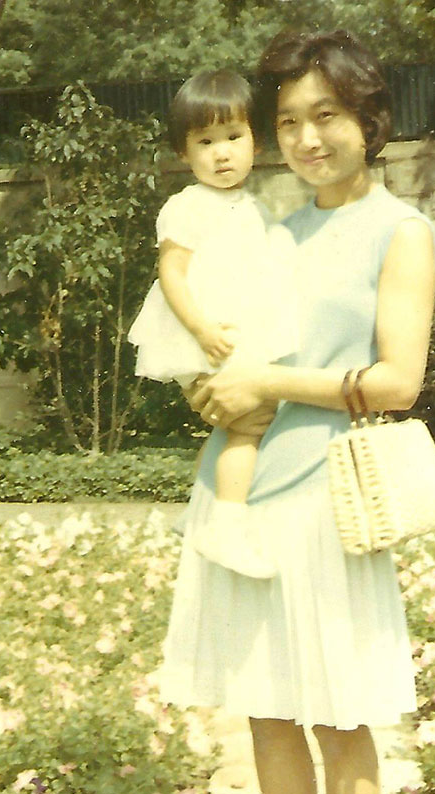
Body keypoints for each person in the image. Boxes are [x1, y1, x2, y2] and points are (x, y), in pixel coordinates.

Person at [157, 29, 435, 794]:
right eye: (289, 121)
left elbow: (398, 378)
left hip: (331, 496)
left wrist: (266, 381)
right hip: (244, 494)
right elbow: (225, 339)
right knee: (269, 712)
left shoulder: (400, 229)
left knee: (341, 715)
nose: (307, 137)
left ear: (368, 117)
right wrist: (215, 393)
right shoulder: (273, 226)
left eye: (325, 115)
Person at [128, 69, 298, 578]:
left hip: (234, 334)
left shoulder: (254, 205)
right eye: (205, 142)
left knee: (243, 423)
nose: (222, 153)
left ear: (254, 141)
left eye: (233, 137)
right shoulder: (186, 206)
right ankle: (225, 524)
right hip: (202, 338)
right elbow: (172, 275)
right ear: (184, 152)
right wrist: (201, 329)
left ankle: (201, 513)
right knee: (248, 425)